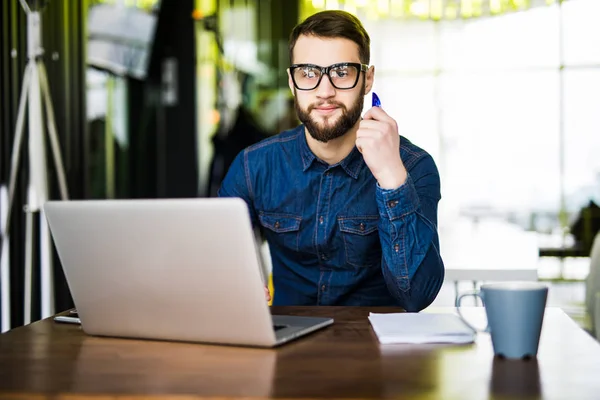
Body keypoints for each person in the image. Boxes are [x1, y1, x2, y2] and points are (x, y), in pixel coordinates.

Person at [218, 10, 444, 311]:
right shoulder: (253, 166)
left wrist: (392, 177)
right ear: (292, 81)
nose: (325, 92)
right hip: (286, 346)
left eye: (342, 72)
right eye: (308, 73)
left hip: (377, 350)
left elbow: (416, 296)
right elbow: (218, 260)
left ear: (367, 79)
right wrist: (233, 284)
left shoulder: (413, 167)